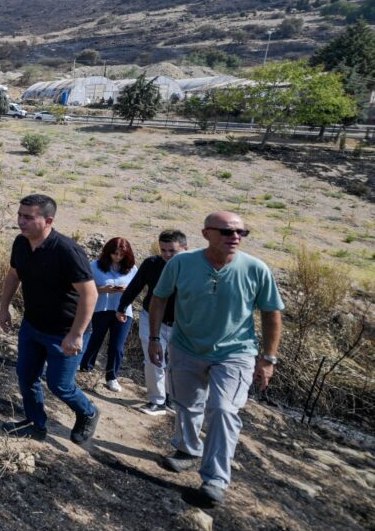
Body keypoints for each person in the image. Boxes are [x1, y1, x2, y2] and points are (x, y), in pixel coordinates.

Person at [148, 212, 283, 506]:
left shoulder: (256, 269)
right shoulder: (181, 264)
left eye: (241, 232)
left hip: (236, 353)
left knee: (223, 410)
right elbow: (158, 298)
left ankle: (215, 479)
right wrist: (155, 338)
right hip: (186, 347)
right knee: (186, 404)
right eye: (226, 231)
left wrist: (268, 359)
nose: (234, 237)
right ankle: (186, 450)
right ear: (206, 233)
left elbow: (272, 313)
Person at [0, 194, 100, 444]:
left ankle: (88, 412)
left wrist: (76, 334)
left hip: (65, 331)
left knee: (60, 385)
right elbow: (13, 275)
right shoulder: (21, 243)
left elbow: (90, 293)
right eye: (20, 215)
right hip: (32, 325)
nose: (21, 221)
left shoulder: (67, 251)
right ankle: (35, 424)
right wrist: (4, 307)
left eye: (28, 217)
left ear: (48, 220)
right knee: (26, 375)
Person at [117, 230, 188, 415]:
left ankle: (171, 398)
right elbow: (136, 285)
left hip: (180, 323)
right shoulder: (152, 263)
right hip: (151, 318)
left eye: (172, 251)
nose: (166, 255)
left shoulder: (192, 268)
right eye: (163, 250)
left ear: (185, 249)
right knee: (153, 360)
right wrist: (122, 306)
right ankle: (156, 401)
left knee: (176, 361)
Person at [79, 237, 138, 392]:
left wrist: (127, 290)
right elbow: (85, 288)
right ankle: (85, 368)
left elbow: (136, 289)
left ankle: (112, 377)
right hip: (101, 308)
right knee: (95, 339)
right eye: (114, 254)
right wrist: (104, 289)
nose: (117, 257)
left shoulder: (132, 269)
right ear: (108, 252)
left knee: (117, 345)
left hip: (124, 310)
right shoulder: (95, 266)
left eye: (121, 254)